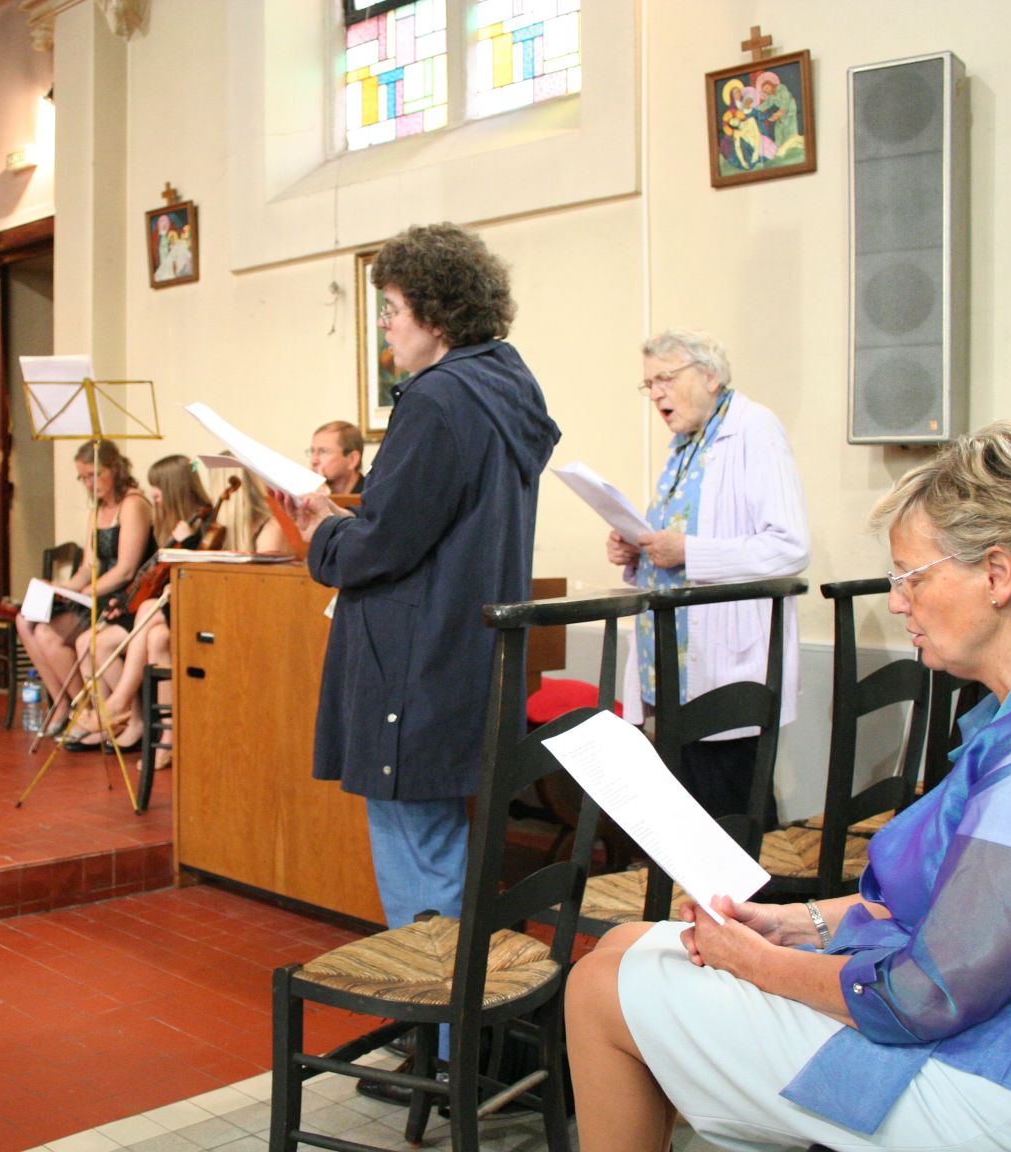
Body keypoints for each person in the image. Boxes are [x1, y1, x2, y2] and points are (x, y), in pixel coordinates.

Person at [568, 421, 1011, 1152]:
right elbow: (962, 904)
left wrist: (757, 962)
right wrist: (795, 924)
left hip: (1009, 1084)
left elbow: (923, 998)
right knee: (629, 944)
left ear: (998, 575)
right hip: (1002, 1025)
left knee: (600, 988)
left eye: (912, 576)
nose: (898, 601)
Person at [287, 220, 560, 988]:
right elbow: (431, 523)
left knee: (420, 858)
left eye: (393, 309)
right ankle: (460, 1022)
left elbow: (386, 545)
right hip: (465, 650)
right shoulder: (506, 384)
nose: (385, 325)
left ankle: (442, 1032)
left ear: (436, 316)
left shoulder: (437, 399)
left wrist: (324, 534)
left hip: (414, 663)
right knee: (443, 847)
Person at [606, 330, 809, 824]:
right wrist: (636, 551)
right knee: (689, 816)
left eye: (665, 378)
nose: (655, 393)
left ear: (710, 376)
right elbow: (679, 541)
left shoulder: (753, 429)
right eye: (649, 383)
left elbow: (789, 548)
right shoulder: (685, 445)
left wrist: (688, 551)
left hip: (724, 662)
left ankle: (756, 878)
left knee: (732, 812)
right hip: (671, 664)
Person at [65, 454, 212, 750]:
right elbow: (151, 575)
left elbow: (193, 576)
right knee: (90, 642)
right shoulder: (167, 522)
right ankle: (130, 719)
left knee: (136, 621)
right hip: (155, 603)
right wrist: (122, 600)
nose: (153, 495)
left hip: (179, 608)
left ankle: (123, 709)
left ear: (174, 489)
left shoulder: (202, 526)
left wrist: (189, 541)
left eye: (158, 489)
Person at [16, 440, 152, 729]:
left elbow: (126, 570)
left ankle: (90, 711)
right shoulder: (97, 510)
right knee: (27, 622)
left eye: (95, 475)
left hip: (123, 598)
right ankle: (69, 705)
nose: (89, 484)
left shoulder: (133, 504)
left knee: (49, 635)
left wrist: (84, 592)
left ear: (115, 469)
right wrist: (61, 588)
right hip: (96, 593)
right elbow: (89, 567)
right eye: (83, 477)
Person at [308, 420, 366, 495]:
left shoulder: (371, 497)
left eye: (323, 451)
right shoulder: (309, 492)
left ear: (352, 459)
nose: (313, 461)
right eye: (312, 451)